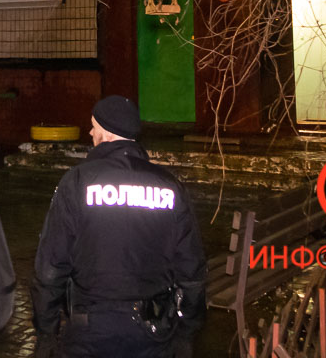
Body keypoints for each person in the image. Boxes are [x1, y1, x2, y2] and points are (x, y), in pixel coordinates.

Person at [32, 96, 206, 358]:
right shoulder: (170, 186)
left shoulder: (76, 183)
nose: (90, 133)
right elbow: (191, 270)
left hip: (89, 332)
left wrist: (46, 332)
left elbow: (50, 268)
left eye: (94, 126)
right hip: (152, 332)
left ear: (107, 133)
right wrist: (186, 331)